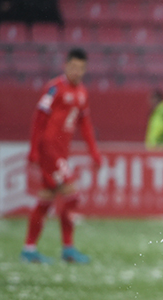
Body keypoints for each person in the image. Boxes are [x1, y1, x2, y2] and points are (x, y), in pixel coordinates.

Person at [21, 47, 100, 264]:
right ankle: (68, 248)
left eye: (81, 68)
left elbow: (85, 125)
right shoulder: (54, 89)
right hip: (49, 149)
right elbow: (38, 119)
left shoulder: (82, 93)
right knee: (72, 194)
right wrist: (34, 149)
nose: (77, 71)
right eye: (73, 66)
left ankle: (29, 249)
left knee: (47, 197)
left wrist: (94, 152)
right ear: (66, 66)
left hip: (61, 152)